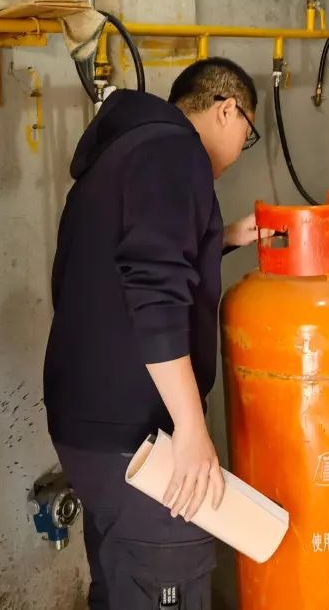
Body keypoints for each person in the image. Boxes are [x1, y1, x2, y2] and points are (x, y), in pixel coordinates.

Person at [43, 57, 264, 609]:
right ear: (227, 109)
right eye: (249, 132)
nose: (243, 146)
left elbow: (121, 265)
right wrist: (191, 428)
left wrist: (222, 237)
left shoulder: (125, 149)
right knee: (169, 573)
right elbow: (154, 292)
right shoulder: (175, 151)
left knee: (121, 583)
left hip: (89, 430)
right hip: (138, 438)